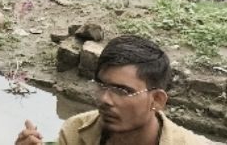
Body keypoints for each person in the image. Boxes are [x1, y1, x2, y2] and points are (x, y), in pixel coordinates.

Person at [15, 35, 208, 145]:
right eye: (101, 85)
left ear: (156, 100)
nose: (105, 99)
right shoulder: (76, 132)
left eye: (122, 91)